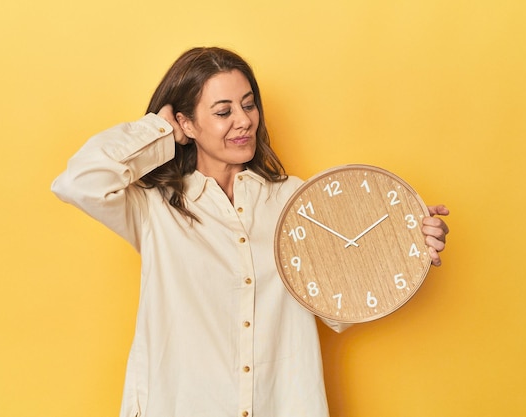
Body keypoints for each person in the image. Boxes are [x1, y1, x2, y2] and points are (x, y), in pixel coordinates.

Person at [52, 47, 450, 417]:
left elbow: (338, 304)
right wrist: (158, 131)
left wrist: (407, 245)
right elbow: (78, 182)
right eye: (223, 111)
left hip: (283, 403)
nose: (244, 121)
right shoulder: (154, 205)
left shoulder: (293, 199)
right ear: (186, 123)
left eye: (248, 104)